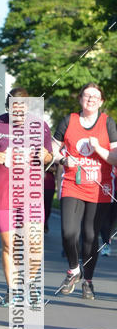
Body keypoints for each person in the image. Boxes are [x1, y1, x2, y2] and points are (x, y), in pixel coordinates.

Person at [0, 88, 52, 305]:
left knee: (35, 245)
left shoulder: (40, 126)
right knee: (9, 245)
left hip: (31, 195)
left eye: (22, 108)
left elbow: (49, 155)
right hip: (4, 193)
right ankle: (13, 291)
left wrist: (45, 154)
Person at [53, 83, 117, 299]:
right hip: (72, 183)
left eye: (95, 96)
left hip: (100, 188)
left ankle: (88, 281)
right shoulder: (68, 121)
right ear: (80, 98)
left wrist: (98, 147)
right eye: (87, 95)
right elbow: (52, 148)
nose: (91, 99)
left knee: (90, 236)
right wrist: (62, 158)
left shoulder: (108, 123)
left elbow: (115, 158)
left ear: (101, 101)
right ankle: (73, 270)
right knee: (68, 232)